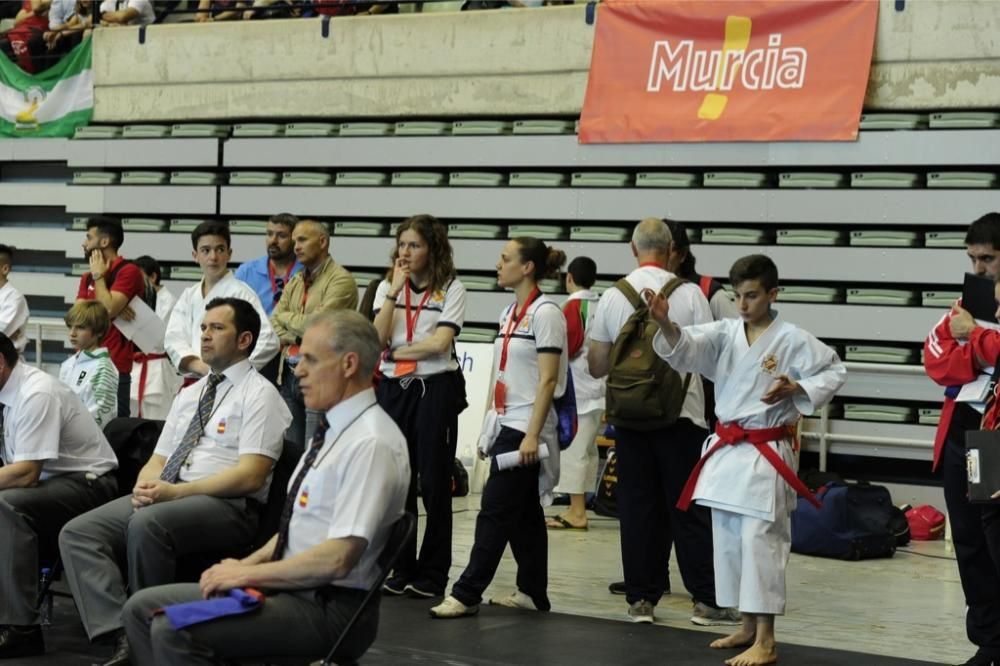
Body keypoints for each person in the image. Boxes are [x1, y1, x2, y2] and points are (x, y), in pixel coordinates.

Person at [122, 310, 409, 665]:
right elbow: (294, 530)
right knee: (140, 608)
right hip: (290, 586)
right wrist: (242, 567)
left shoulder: (371, 443)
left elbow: (338, 558)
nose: (298, 370)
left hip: (328, 606)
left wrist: (247, 573)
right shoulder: (336, 433)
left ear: (349, 364)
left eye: (310, 360)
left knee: (173, 628)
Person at [59, 298, 291, 666]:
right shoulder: (191, 392)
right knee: (79, 533)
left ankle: (152, 632)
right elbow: (159, 459)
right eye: (202, 328)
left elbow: (251, 476)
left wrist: (174, 492)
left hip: (227, 504)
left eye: (217, 328)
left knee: (147, 523)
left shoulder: (260, 395)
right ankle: (122, 632)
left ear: (244, 340)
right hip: (171, 492)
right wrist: (146, 486)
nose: (205, 336)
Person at [649, 254, 846, 666]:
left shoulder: (791, 338)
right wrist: (666, 322)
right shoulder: (725, 333)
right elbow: (685, 348)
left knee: (762, 543)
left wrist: (797, 386)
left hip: (764, 452)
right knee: (730, 541)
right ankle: (747, 625)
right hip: (727, 450)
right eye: (737, 295)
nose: (742, 304)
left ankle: (768, 639)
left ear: (773, 294)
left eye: (752, 296)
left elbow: (834, 370)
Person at [587, 218, 727, 625]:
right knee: (687, 506)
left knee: (636, 507)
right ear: (672, 251)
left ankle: (641, 600)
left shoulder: (613, 296)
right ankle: (705, 600)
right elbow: (706, 357)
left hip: (630, 418)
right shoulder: (689, 294)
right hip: (681, 415)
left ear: (633, 250)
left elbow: (597, 365)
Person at [430, 237, 567, 619]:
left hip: (526, 426)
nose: (497, 264)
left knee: (493, 508)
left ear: (527, 267)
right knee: (523, 514)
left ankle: (467, 591)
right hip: (507, 422)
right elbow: (506, 373)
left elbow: (547, 381)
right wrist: (491, 425)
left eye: (505, 258)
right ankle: (532, 592)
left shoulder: (546, 314)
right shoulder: (510, 312)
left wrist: (532, 434)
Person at [0, 332, 118, 659]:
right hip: (53, 484)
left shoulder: (36, 392)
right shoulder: (9, 390)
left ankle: (21, 628)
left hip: (89, 485)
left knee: (5, 504)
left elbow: (25, 473)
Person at [373, 214, 468, 598]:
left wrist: (395, 350)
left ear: (433, 249)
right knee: (398, 483)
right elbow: (375, 336)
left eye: (415, 245)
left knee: (433, 483)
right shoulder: (387, 288)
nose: (406, 252)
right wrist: (394, 293)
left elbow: (439, 344)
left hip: (434, 388)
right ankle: (401, 568)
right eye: (402, 244)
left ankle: (432, 575)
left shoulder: (451, 288)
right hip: (394, 389)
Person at [924, 212, 1000, 666]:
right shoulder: (967, 301)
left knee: (997, 545)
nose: (978, 269)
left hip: (995, 440)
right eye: (973, 259)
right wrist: (978, 348)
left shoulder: (970, 318)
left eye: (988, 259)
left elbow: (967, 348)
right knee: (970, 542)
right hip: (964, 436)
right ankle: (990, 642)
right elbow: (936, 362)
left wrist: (974, 340)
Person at [271, 219, 357, 448]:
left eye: (302, 240)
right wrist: (299, 333)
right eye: (294, 241)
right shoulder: (297, 279)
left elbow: (318, 324)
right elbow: (273, 321)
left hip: (321, 377)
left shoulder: (341, 280)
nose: (295, 246)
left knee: (315, 454)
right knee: (291, 455)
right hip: (288, 374)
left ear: (322, 242)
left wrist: (289, 322)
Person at [165, 221, 279, 383]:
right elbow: (173, 338)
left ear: (229, 253)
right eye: (206, 250)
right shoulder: (189, 295)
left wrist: (233, 370)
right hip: (194, 379)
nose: (213, 257)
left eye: (220, 249)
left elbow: (268, 340)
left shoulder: (241, 292)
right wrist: (198, 366)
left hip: (229, 382)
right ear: (195, 256)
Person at [546, 255, 603, 531]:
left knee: (575, 452)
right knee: (588, 452)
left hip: (578, 391)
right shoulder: (599, 303)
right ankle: (576, 506)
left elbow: (565, 346)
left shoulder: (573, 306)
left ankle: (578, 511)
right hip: (597, 387)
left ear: (569, 278)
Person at [77, 217, 148, 418]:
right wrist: (109, 307)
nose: (84, 243)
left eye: (89, 238)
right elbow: (78, 319)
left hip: (114, 367)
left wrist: (100, 278)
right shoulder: (86, 277)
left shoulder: (129, 271)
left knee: (115, 434)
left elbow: (107, 309)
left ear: (105, 242)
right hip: (84, 364)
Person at [130, 255, 182, 419]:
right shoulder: (136, 299)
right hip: (136, 364)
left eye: (139, 277)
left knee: (155, 419)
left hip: (157, 365)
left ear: (153, 276)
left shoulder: (171, 302)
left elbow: (160, 339)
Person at [60, 301, 118, 429]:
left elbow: (99, 419)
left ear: (99, 332)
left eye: (80, 327)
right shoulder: (68, 364)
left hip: (87, 443)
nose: (72, 333)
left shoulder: (104, 368)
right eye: (70, 326)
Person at [234, 213, 301, 318]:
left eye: (281, 236)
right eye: (269, 234)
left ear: (295, 240)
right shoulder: (246, 272)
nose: (273, 241)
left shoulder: (307, 271)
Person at [0, 244, 29, 357]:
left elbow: (2, 333)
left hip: (7, 361)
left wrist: (4, 337)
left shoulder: (14, 298)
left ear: (5, 269)